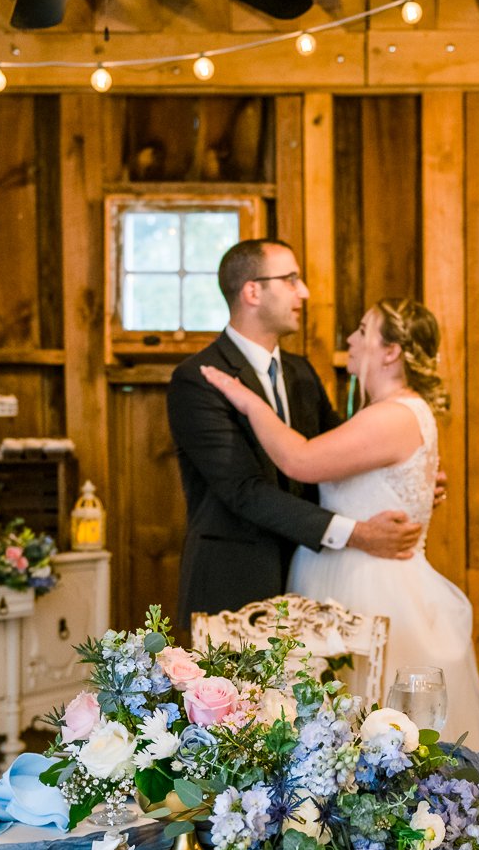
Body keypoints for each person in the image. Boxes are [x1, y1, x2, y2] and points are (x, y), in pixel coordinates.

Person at [202, 296, 479, 751]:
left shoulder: (393, 414)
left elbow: (299, 460)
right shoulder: (393, 412)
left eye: (363, 329)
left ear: (391, 350)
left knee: (371, 732)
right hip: (348, 577)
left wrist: (248, 402)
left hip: (368, 585)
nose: (351, 339)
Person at [167, 239, 423, 629]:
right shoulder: (199, 379)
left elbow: (340, 452)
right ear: (252, 291)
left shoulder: (301, 372)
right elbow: (245, 492)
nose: (303, 292)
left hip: (311, 581)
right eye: (290, 280)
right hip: (234, 587)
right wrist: (356, 534)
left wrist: (404, 475)